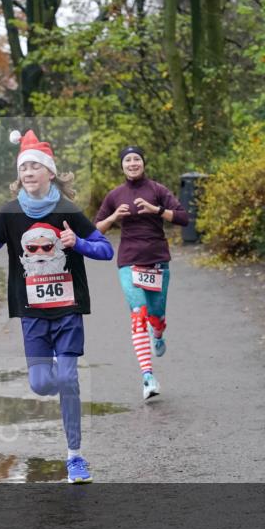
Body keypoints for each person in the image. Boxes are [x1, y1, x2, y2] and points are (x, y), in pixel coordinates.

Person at [0, 129, 114, 483]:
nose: (29, 172)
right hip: (32, 313)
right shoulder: (8, 213)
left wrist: (77, 241)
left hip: (67, 309)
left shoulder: (68, 211)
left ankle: (75, 458)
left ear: (50, 172)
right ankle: (60, 381)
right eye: (24, 167)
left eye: (36, 166)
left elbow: (106, 249)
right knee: (40, 384)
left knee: (67, 378)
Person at [95, 145, 189, 400]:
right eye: (128, 160)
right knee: (138, 314)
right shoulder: (115, 195)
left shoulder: (157, 190)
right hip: (128, 262)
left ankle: (158, 333)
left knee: (156, 317)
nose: (133, 163)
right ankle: (148, 378)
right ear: (122, 165)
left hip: (157, 260)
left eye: (137, 159)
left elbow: (183, 218)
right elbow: (95, 230)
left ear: (143, 163)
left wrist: (155, 209)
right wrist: (114, 216)